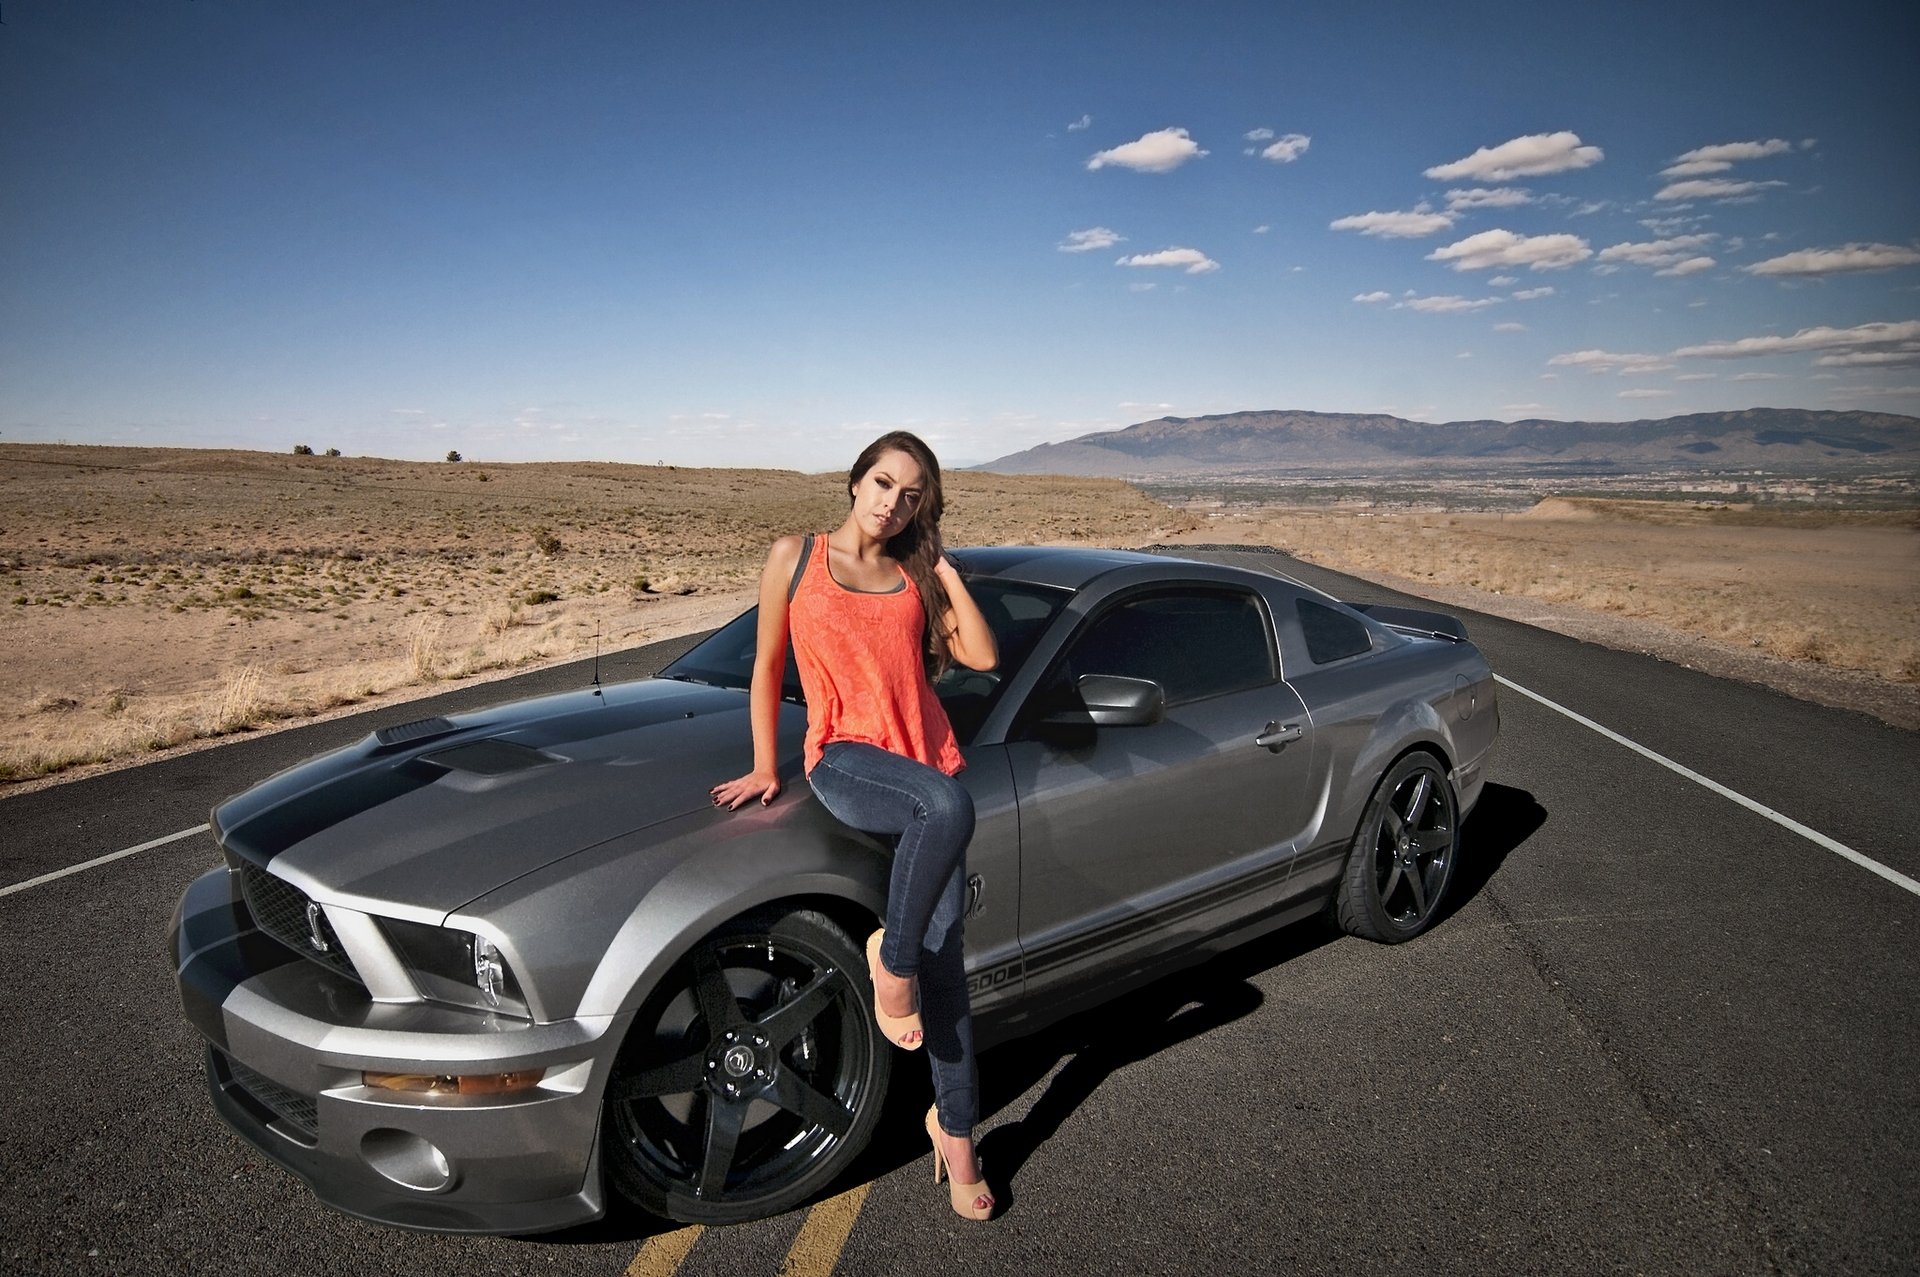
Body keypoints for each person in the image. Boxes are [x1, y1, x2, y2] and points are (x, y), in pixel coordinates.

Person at [709, 430, 1000, 1222]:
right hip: (844, 756)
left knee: (948, 969)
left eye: (912, 496)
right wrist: (769, 764)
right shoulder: (795, 557)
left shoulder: (911, 573)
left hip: (921, 759)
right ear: (854, 480)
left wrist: (940, 564)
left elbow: (978, 652)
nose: (891, 502)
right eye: (882, 482)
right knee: (947, 809)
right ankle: (889, 962)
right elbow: (769, 663)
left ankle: (959, 1131)